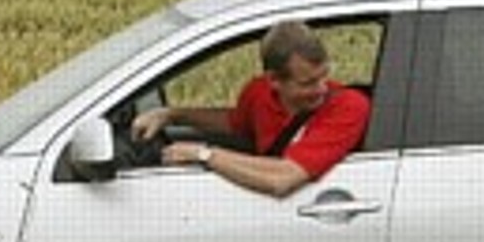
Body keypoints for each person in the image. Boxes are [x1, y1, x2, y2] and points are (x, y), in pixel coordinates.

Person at [130, 20, 370, 197]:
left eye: (323, 77)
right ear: (274, 80)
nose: (321, 89)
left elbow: (282, 179)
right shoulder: (258, 93)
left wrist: (203, 155)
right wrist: (171, 115)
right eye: (308, 83)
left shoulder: (348, 107)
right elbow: (234, 123)